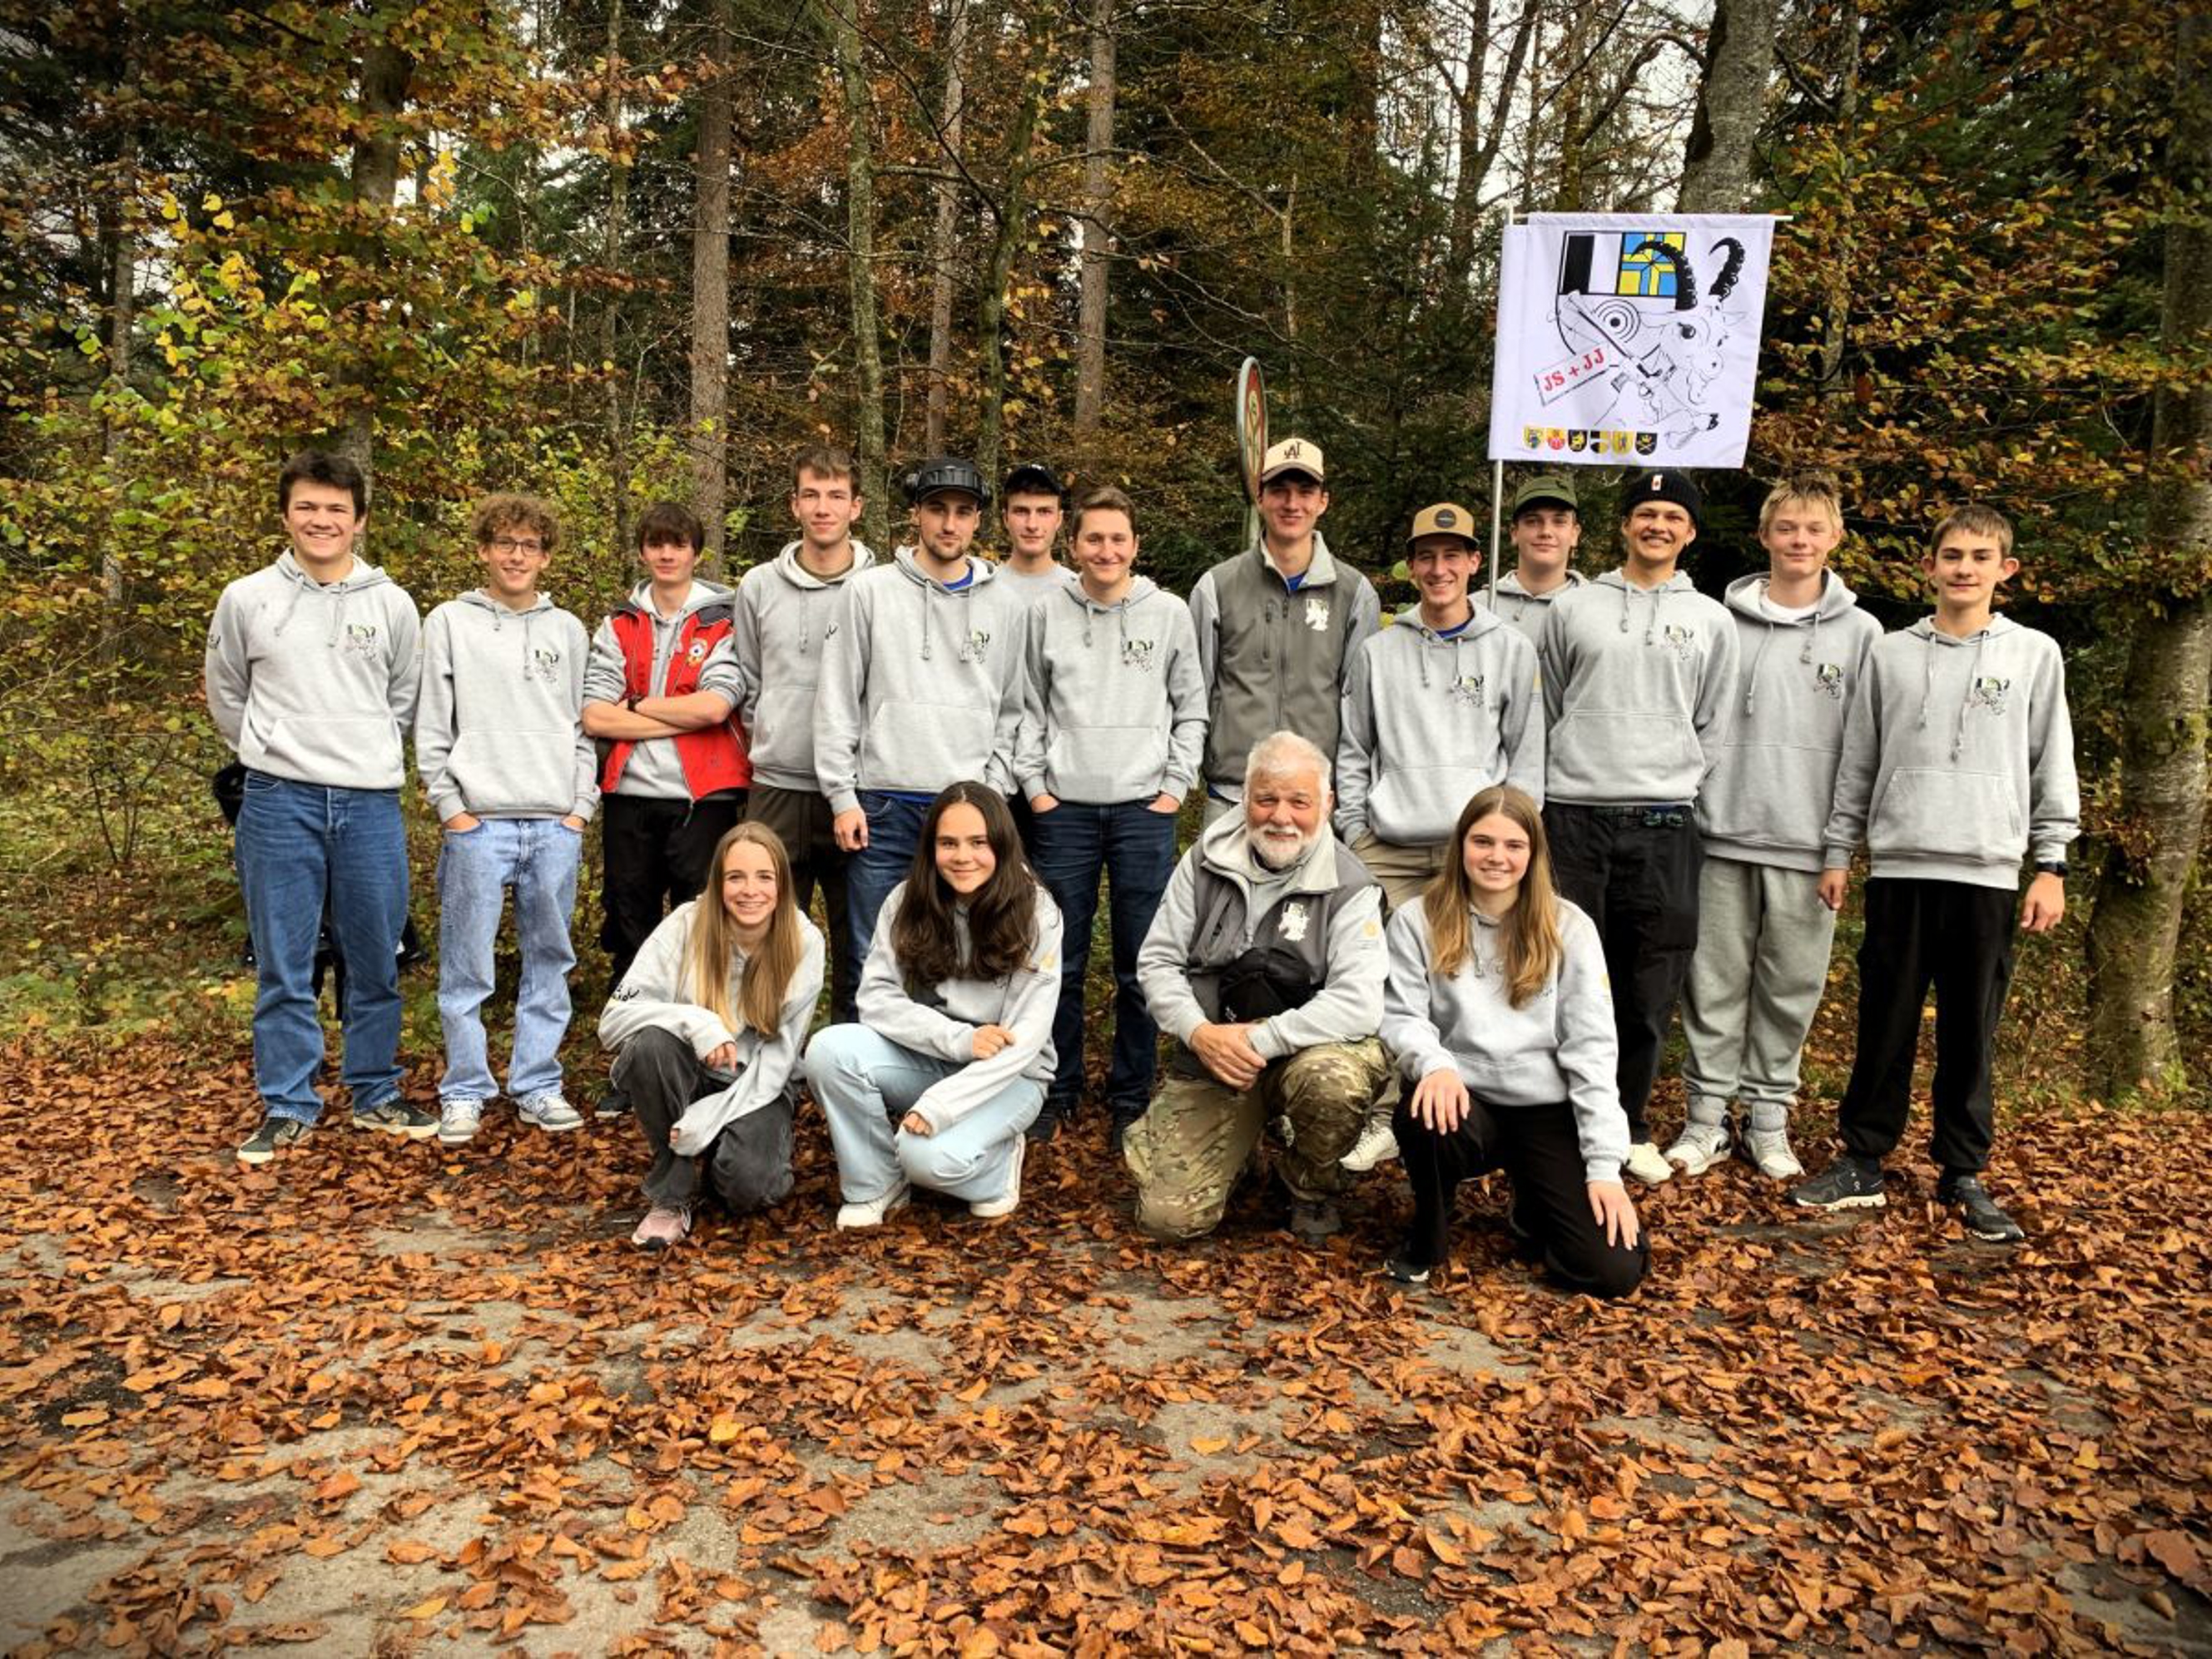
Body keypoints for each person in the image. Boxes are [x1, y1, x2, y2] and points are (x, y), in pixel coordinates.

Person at [1793, 505, 2076, 1245]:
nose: (1964, 568)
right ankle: (1862, 1158)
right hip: (1900, 864)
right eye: (1951, 555)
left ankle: (1962, 1169)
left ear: (2004, 570)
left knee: (1969, 1029)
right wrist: (1837, 852)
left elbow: (2053, 762)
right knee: (1883, 1021)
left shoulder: (2034, 655)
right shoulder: (1888, 654)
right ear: (1929, 566)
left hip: (1988, 869)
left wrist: (2051, 864)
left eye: (1981, 557)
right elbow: (1858, 761)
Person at [209, 448, 429, 1165]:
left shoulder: (392, 604)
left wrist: (360, 752)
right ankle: (288, 1103)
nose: (321, 520)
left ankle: (374, 1090)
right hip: (277, 801)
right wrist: (274, 750)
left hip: (368, 803)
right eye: (307, 506)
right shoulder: (247, 598)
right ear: (285, 515)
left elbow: (403, 699)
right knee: (284, 961)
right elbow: (226, 695)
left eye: (336, 509)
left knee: (376, 956)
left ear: (359, 521)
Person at [1666, 473, 1882, 1180]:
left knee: (1791, 990)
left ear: (1835, 540)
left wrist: (1839, 849)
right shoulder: (1717, 621)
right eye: (1787, 528)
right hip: (1719, 833)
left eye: (1814, 530)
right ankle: (1705, 1120)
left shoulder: (1861, 634)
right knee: (1713, 983)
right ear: (1764, 538)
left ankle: (1767, 1121)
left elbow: (1861, 752)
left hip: (1806, 845)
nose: (1799, 541)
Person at [1535, 468, 1738, 1186]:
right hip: (1575, 818)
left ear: (1688, 532)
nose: (1657, 525)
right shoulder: (1575, 609)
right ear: (1623, 525)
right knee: (1564, 980)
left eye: (1671, 516)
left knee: (1645, 989)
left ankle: (1630, 1124)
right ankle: (1557, 1119)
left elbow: (1714, 725)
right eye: (1645, 513)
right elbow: (1552, 704)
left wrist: (1677, 786)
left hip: (1663, 823)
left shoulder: (1713, 620)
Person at [1334, 498, 1545, 1175]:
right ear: (1412, 566)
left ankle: (1452, 1108)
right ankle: (1381, 1113)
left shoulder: (1510, 649)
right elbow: (1354, 749)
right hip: (1389, 849)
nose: (1439, 568)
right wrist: (1356, 830)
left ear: (1476, 563)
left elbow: (1525, 756)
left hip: (1473, 854)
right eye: (1427, 556)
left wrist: (1509, 845)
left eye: (1453, 556)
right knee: (1380, 984)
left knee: (1463, 980)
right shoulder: (1379, 652)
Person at [1381, 787, 1646, 1298]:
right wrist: (1435, 1065)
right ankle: (1428, 1236)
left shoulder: (1570, 928)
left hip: (1547, 1110)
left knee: (1611, 1272)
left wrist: (1605, 1168)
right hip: (1465, 1099)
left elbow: (1592, 1049)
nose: (1497, 857)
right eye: (1483, 841)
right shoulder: (1419, 919)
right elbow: (1401, 1014)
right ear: (1461, 846)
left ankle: (1534, 1207)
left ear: (1534, 854)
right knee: (1420, 1113)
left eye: (1513, 845)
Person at [1127, 730, 1391, 1243]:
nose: (1281, 816)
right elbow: (1157, 962)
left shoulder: (1352, 883)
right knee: (1167, 1221)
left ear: (1328, 803)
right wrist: (1199, 1033)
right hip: (1214, 1053)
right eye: (1266, 799)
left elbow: (1359, 1003)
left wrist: (1257, 1040)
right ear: (1245, 800)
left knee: (1333, 1082)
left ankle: (1310, 1187)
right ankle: (1237, 1151)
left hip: (1308, 1054)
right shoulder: (1203, 863)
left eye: (1299, 801)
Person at [1014, 486, 1207, 1148]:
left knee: (1140, 963)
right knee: (1056, 962)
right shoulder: (1045, 614)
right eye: (1094, 539)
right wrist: (1037, 788)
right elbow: (1026, 709)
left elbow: (1192, 707)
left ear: (1135, 546)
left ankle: (1131, 1092)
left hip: (1141, 811)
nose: (1105, 550)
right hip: (1063, 811)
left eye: (1117, 539)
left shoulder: (1169, 614)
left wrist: (1176, 786)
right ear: (1075, 545)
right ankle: (1057, 1086)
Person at [415, 493, 597, 1146]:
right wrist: (451, 808)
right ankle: (464, 1091)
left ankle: (537, 1084)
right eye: (505, 543)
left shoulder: (568, 631)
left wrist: (579, 809)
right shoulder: (449, 623)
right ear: (484, 550)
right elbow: (432, 724)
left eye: (530, 546)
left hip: (553, 823)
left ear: (546, 557)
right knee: (466, 966)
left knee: (550, 959)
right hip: (479, 824)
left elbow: (583, 728)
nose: (516, 556)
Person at [805, 784, 1062, 1227]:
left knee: (927, 1159)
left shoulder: (1036, 911)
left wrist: (939, 1106)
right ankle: (876, 1182)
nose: (963, 856)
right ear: (931, 848)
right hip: (937, 1054)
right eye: (948, 843)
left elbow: (1027, 1039)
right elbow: (875, 999)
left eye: (978, 842)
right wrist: (960, 1039)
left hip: (1013, 1076)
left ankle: (998, 1170)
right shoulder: (906, 901)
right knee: (829, 1050)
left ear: (1001, 842)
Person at [816, 458, 1026, 971]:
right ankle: (866, 1054)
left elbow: (1013, 710)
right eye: (937, 510)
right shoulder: (868, 591)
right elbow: (838, 698)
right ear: (917, 515)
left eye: (962, 512)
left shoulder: (1007, 605)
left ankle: (950, 1052)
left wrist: (993, 792)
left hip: (967, 810)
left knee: (962, 954)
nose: (949, 524)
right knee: (874, 953)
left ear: (979, 520)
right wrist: (842, 796)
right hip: (882, 807)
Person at [581, 501, 750, 1118]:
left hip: (703, 799)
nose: (667, 554)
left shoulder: (723, 618)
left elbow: (716, 707)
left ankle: (706, 1056)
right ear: (644, 551)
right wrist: (674, 707)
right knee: (630, 928)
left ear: (695, 552)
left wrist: (641, 706)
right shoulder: (619, 623)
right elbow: (595, 713)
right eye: (656, 544)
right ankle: (631, 1065)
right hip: (629, 796)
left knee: (701, 929)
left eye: (678, 544)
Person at [599, 823, 826, 1249]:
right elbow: (613, 1020)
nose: (750, 890)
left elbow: (777, 1065)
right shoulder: (685, 925)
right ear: (718, 882)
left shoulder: (804, 941)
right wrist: (697, 1023)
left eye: (764, 877)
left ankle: (728, 1152)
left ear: (782, 883)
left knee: (750, 1189)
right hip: (688, 1072)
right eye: (735, 877)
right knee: (651, 1044)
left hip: (757, 1084)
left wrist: (711, 1120)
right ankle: (672, 1194)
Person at [736, 443, 876, 1022]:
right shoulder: (759, 586)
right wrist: (773, 737)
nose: (824, 508)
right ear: (795, 505)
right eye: (812, 496)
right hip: (777, 787)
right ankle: (768, 1051)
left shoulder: (882, 586)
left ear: (856, 507)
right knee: (767, 928)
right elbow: (748, 682)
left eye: (836, 496)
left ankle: (846, 1049)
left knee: (858, 933)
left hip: (855, 789)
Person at [1189, 438, 1380, 822]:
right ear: (1260, 497)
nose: (1292, 504)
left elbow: (1359, 708)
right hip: (1233, 795)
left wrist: (1346, 792)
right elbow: (1195, 692)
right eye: (1279, 491)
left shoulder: (1354, 593)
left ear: (1323, 501)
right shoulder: (1217, 587)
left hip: (1315, 798)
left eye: (1305, 492)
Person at [1480, 474, 1587, 637]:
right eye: (1533, 521)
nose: (1546, 532)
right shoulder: (1477, 608)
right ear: (1514, 533)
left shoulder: (1597, 609)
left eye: (1559, 522)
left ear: (1574, 534)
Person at [998, 462, 1071, 604]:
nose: (1032, 525)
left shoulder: (1078, 592)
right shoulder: (982, 590)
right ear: (1005, 518)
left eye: (1044, 512)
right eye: (1021, 511)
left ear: (1059, 519)